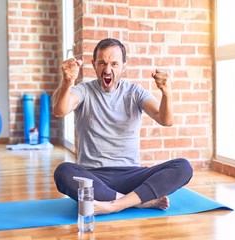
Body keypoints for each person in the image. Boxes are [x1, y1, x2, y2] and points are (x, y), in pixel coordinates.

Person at [52, 38, 193, 215]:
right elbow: (60, 110)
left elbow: (165, 120)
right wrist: (67, 81)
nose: (107, 69)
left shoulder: (135, 92)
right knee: (63, 172)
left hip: (132, 175)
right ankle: (137, 202)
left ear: (123, 66)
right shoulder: (84, 90)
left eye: (114, 64)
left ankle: (114, 204)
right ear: (94, 64)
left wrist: (167, 93)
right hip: (94, 176)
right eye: (102, 63)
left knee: (183, 167)